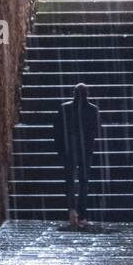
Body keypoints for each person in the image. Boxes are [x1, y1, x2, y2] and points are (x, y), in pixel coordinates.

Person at [52, 84, 101, 228]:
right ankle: (81, 213)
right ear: (87, 94)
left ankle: (73, 211)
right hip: (84, 150)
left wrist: (60, 148)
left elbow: (57, 131)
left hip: (70, 150)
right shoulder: (92, 110)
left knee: (71, 182)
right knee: (83, 183)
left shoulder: (65, 108)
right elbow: (96, 131)